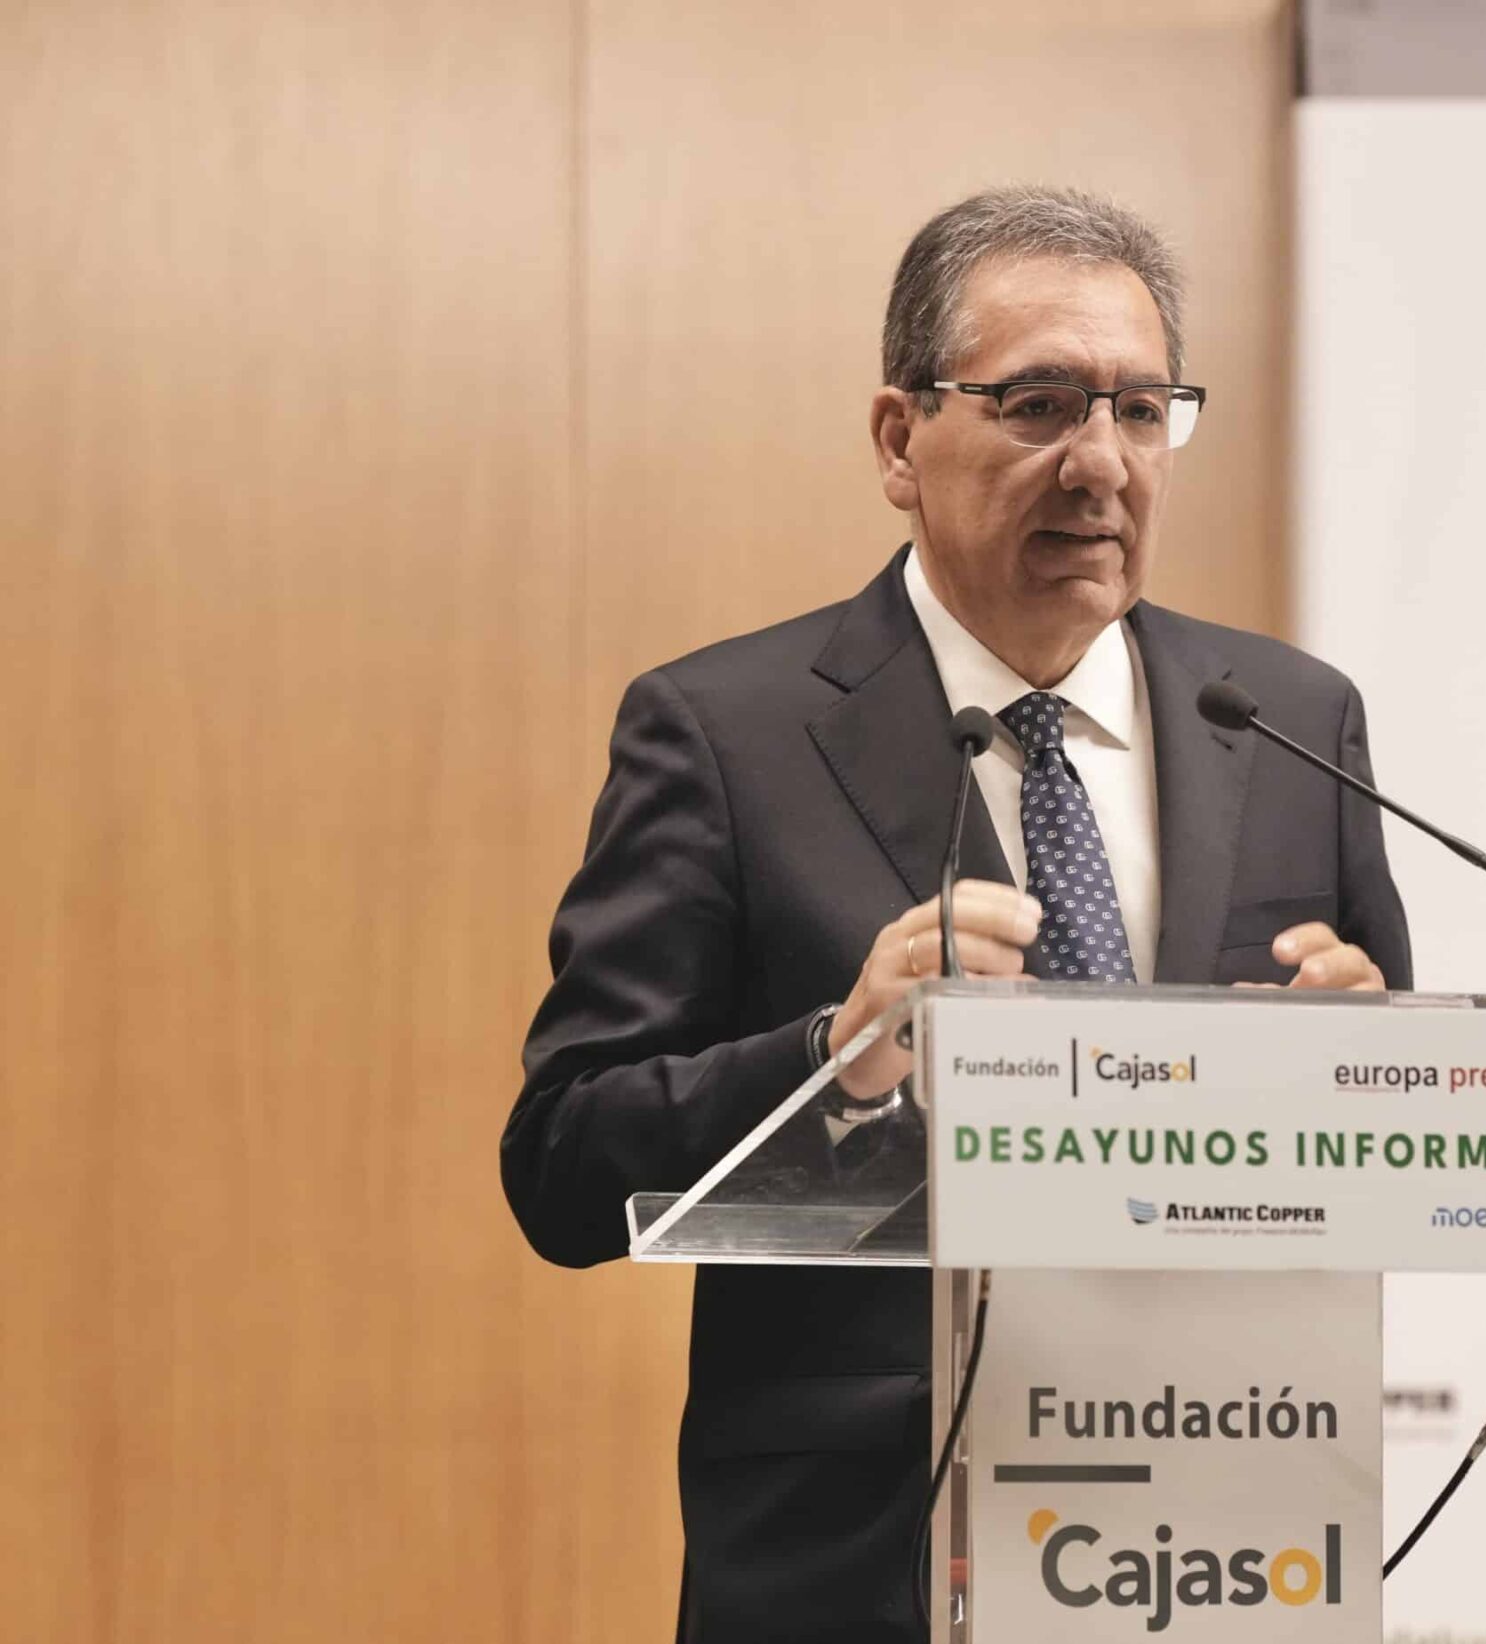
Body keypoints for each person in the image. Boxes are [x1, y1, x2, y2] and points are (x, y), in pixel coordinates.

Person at [499, 186, 1412, 1642]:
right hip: (865, 1564)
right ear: (898, 440)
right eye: (1039, 405)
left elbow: (1378, 1168)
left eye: (1142, 409)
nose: (1100, 463)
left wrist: (1364, 1082)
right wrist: (834, 1057)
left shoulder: (1288, 720)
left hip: (1218, 1542)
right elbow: (562, 1166)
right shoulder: (726, 734)